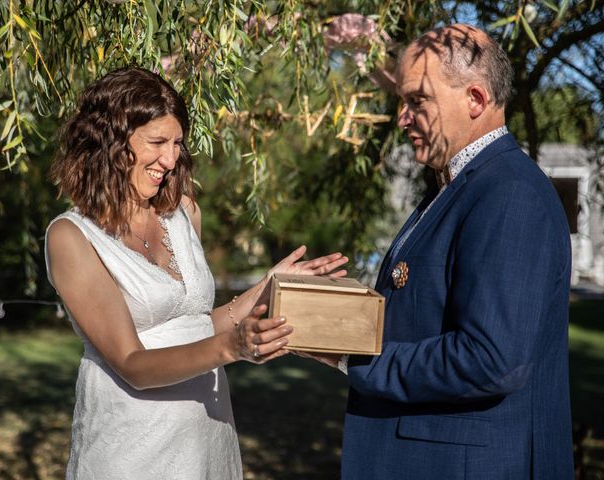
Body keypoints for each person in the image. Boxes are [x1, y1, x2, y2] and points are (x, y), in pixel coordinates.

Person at [45, 66, 348, 479]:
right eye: (157, 142)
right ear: (110, 142)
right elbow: (133, 364)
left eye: (177, 143)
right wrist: (231, 349)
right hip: (130, 443)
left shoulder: (183, 212)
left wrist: (270, 286)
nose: (170, 160)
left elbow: (199, 324)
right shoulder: (71, 236)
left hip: (207, 433)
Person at [305, 24, 574, 479]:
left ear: (475, 99)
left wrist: (355, 358)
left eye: (417, 101)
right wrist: (344, 315)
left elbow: (490, 359)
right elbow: (425, 310)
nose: (403, 118)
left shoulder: (508, 192)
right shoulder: (461, 185)